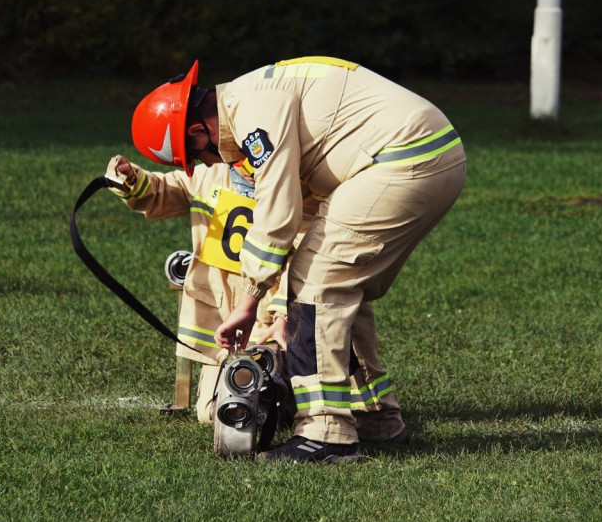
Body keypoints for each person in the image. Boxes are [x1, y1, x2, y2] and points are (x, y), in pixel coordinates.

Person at [129, 57, 467, 463]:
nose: (207, 164)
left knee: (316, 285)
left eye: (197, 156)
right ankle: (376, 419)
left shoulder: (252, 111)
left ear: (200, 130)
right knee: (338, 282)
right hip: (424, 154)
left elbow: (278, 210)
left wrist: (248, 302)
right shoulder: (250, 96)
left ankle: (326, 435)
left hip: (401, 159)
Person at [104, 154, 289, 424]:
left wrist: (284, 313)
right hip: (221, 326)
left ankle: (278, 399)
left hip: (268, 318)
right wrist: (130, 179)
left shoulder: (289, 186)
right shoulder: (207, 175)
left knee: (269, 379)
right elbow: (160, 190)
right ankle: (261, 402)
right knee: (209, 413)